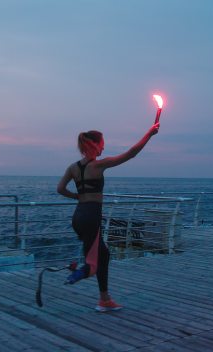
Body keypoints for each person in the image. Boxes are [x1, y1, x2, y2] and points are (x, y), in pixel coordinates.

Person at [56, 123, 160, 312]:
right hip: (91, 217)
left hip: (78, 216)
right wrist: (150, 134)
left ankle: (104, 299)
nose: (104, 147)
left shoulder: (73, 167)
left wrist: (77, 196)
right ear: (94, 145)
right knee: (94, 263)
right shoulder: (99, 165)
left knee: (103, 254)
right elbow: (131, 153)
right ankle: (77, 273)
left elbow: (60, 189)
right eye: (102, 144)